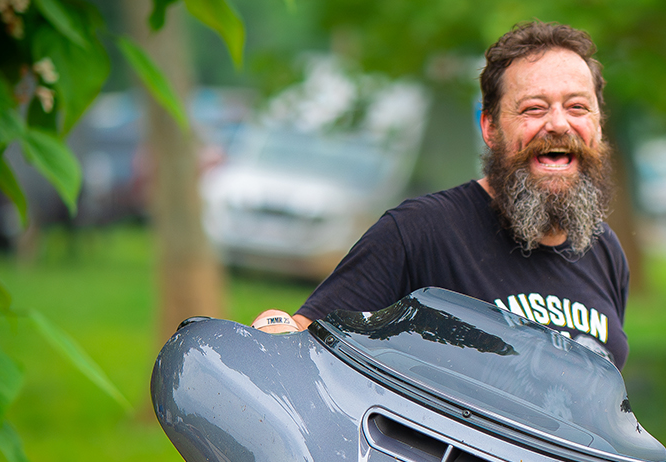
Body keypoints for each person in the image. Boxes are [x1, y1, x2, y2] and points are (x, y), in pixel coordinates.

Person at [250, 21, 630, 368]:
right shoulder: (420, 232)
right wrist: (275, 329)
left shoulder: (605, 252)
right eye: (534, 108)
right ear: (491, 127)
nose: (559, 123)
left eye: (578, 107)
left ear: (597, 126)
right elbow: (305, 343)